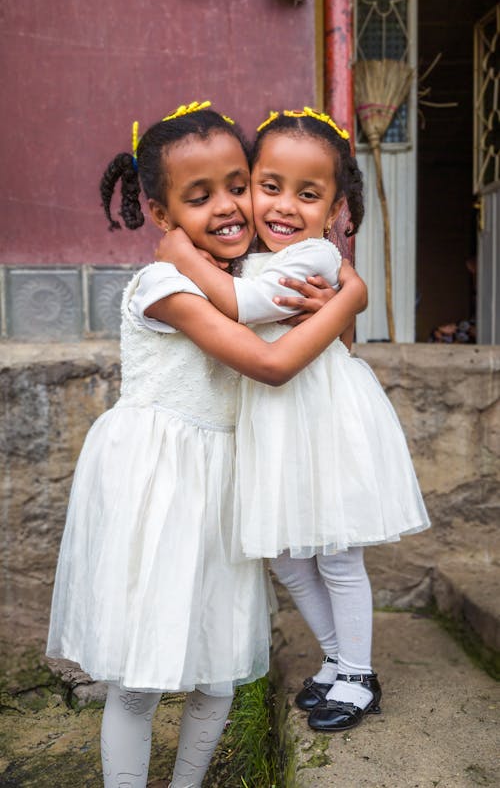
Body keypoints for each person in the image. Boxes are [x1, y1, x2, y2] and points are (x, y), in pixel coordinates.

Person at [46, 102, 368, 788]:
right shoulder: (168, 282)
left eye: (237, 183)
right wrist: (350, 297)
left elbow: (329, 346)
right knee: (141, 678)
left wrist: (345, 296)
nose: (229, 206)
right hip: (158, 492)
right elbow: (270, 362)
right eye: (200, 197)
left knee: (219, 672)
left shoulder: (251, 272)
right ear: (161, 216)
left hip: (225, 488)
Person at [156, 107, 431, 735]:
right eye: (268, 186)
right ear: (248, 184)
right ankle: (336, 658)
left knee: (335, 554)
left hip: (322, 421)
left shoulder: (315, 258)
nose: (283, 206)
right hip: (276, 428)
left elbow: (242, 305)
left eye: (308, 195)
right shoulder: (251, 252)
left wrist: (180, 253)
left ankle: (358, 672)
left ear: (334, 211)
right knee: (284, 555)